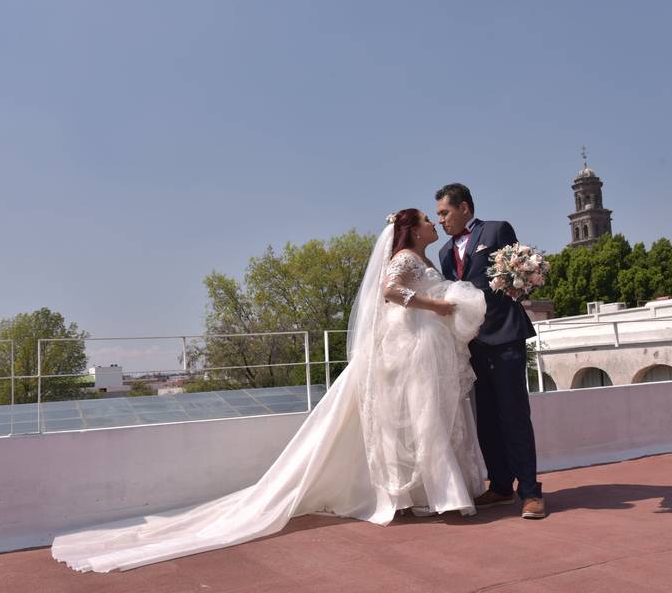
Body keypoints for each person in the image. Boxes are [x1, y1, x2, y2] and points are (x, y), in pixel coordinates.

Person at [51, 209, 488, 572]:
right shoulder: (406, 258)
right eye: (428, 219)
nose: (435, 223)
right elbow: (390, 291)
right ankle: (436, 493)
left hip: (419, 344)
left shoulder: (425, 260)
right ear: (412, 229)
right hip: (406, 345)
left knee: (423, 418)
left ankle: (426, 492)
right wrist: (439, 305)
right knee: (419, 418)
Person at [435, 183, 546, 520]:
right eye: (438, 215)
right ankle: (499, 486)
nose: (441, 220)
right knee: (486, 419)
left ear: (464, 208)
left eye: (445, 213)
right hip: (472, 346)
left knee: (514, 415)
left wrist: (520, 282)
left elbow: (522, 270)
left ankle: (530, 492)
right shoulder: (443, 253)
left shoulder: (497, 230)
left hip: (506, 337)